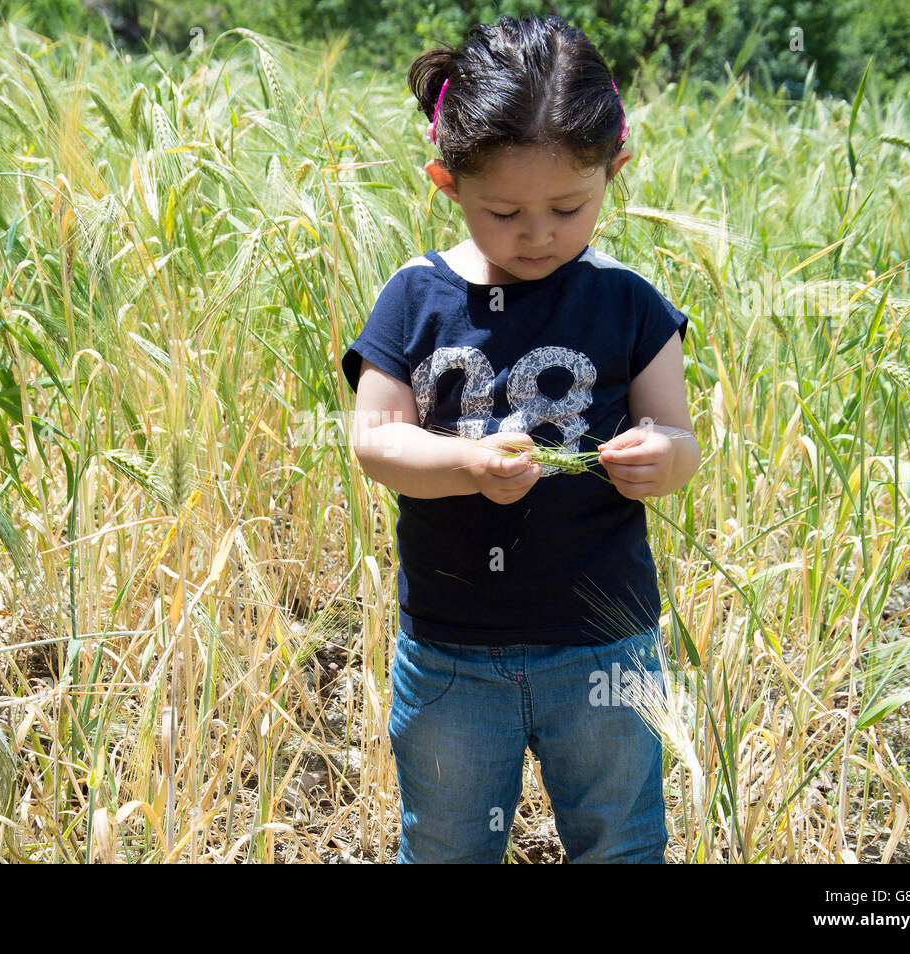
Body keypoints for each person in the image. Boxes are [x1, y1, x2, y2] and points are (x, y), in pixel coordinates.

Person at [340, 15, 702, 863]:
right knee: (448, 844)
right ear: (446, 183)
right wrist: (467, 463)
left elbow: (678, 437)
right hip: (452, 651)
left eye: (568, 207)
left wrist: (661, 458)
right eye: (505, 210)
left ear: (615, 170)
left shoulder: (629, 303)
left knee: (620, 839)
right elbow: (376, 441)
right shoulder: (415, 298)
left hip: (606, 645)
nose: (538, 233)